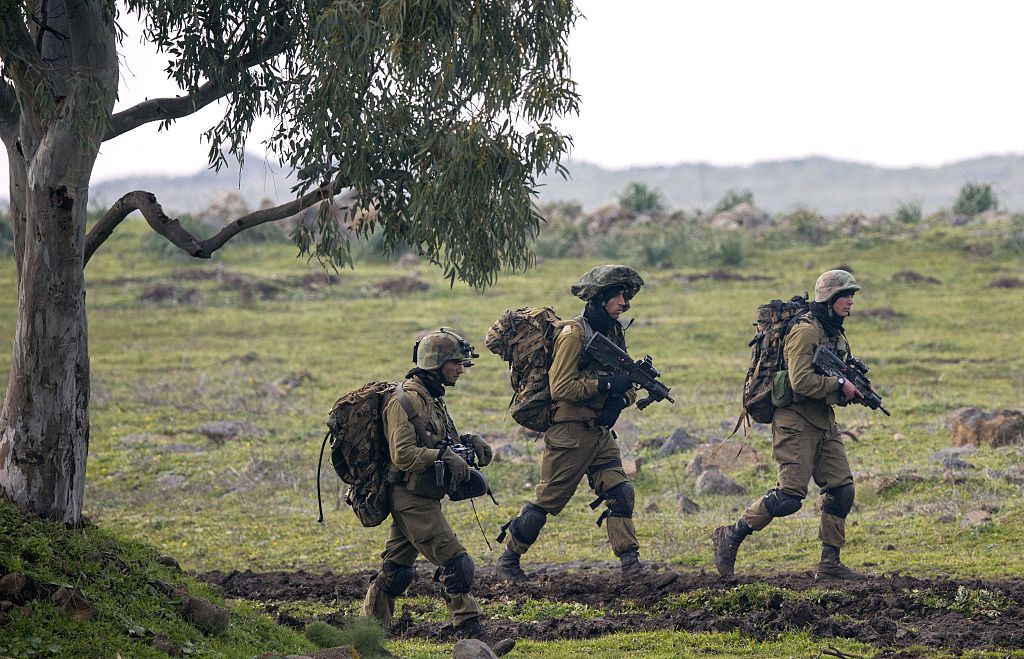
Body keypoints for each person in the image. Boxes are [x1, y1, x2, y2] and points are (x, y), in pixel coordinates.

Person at [712, 269, 868, 581]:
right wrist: (839, 385)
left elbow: (827, 376)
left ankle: (830, 563)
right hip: (794, 421)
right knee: (788, 498)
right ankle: (731, 534)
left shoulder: (834, 331)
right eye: (845, 295)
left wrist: (851, 389)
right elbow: (801, 381)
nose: (851, 301)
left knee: (842, 490)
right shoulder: (806, 330)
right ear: (830, 298)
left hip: (823, 420)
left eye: (852, 295)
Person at [496, 265, 648, 580]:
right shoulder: (573, 335)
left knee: (621, 492)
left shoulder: (613, 331)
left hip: (599, 432)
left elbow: (628, 383)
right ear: (600, 297)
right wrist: (606, 386)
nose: (624, 303)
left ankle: (631, 567)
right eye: (617, 296)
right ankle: (508, 561)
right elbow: (562, 387)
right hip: (570, 432)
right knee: (546, 501)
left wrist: (621, 399)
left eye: (625, 295)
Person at [360, 328, 502, 644]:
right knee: (456, 562)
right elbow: (404, 454)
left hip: (422, 494)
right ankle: (472, 634)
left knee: (395, 573)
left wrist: (466, 443)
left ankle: (367, 637)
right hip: (410, 497)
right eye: (456, 363)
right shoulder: (407, 400)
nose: (461, 370)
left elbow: (436, 440)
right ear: (436, 364)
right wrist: (442, 455)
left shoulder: (431, 396)